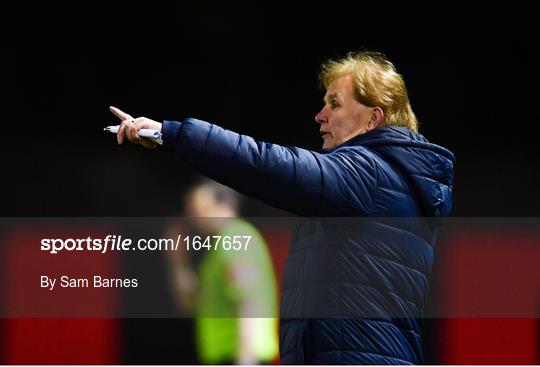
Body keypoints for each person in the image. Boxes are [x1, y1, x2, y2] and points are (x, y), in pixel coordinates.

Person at [110, 51, 455, 364]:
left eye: (335, 104)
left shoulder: (369, 175)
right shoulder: (390, 183)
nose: (320, 116)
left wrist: (173, 134)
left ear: (372, 119)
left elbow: (265, 164)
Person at [165, 179, 279, 365]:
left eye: (198, 208)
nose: (192, 217)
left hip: (241, 356)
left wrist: (245, 361)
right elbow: (190, 306)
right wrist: (179, 262)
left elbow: (248, 302)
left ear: (224, 206)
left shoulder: (236, 239)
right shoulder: (220, 247)